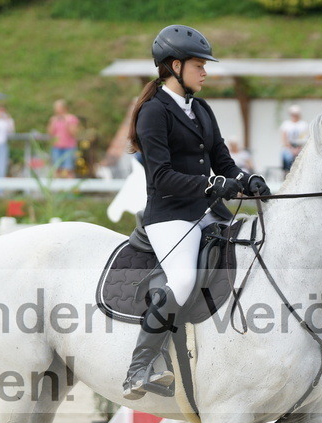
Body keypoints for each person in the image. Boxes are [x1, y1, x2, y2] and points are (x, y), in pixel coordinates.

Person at [123, 24, 270, 400]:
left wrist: (246, 180)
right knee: (184, 280)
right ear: (175, 66)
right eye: (198, 65)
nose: (205, 71)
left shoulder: (200, 108)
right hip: (170, 215)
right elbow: (161, 176)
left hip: (209, 209)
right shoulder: (153, 113)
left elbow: (222, 161)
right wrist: (208, 185)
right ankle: (139, 367)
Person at [47, 99, 79, 178]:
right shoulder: (54, 119)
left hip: (69, 147)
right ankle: (56, 189)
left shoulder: (71, 118)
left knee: (68, 169)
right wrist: (53, 122)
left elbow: (74, 133)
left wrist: (67, 122)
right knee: (56, 169)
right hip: (56, 147)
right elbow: (50, 133)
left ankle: (70, 189)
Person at [279, 105, 309, 172]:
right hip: (288, 148)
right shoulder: (286, 124)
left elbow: (305, 138)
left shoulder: (303, 124)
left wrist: (297, 149)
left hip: (300, 147)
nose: (294, 116)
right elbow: (284, 139)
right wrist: (291, 149)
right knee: (287, 158)